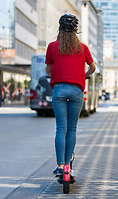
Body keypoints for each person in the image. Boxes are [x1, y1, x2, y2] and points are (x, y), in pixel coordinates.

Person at [45, 14, 96, 176]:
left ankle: (60, 166)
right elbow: (93, 68)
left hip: (59, 89)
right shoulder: (83, 48)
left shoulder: (52, 46)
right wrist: (84, 75)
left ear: (60, 29)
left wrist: (55, 72)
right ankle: (68, 166)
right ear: (76, 31)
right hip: (76, 90)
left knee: (61, 128)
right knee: (72, 129)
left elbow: (48, 69)